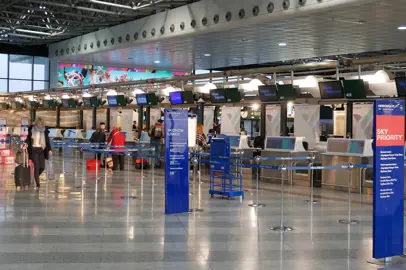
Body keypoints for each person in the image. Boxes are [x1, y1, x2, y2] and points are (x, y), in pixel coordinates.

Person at [25, 117, 52, 189]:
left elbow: (47, 141)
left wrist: (49, 149)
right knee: (36, 165)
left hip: (41, 150)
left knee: (42, 167)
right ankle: (37, 183)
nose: (41, 125)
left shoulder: (45, 130)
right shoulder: (32, 129)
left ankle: (35, 176)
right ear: (36, 123)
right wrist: (25, 144)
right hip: (34, 149)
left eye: (42, 124)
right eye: (40, 124)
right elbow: (28, 138)